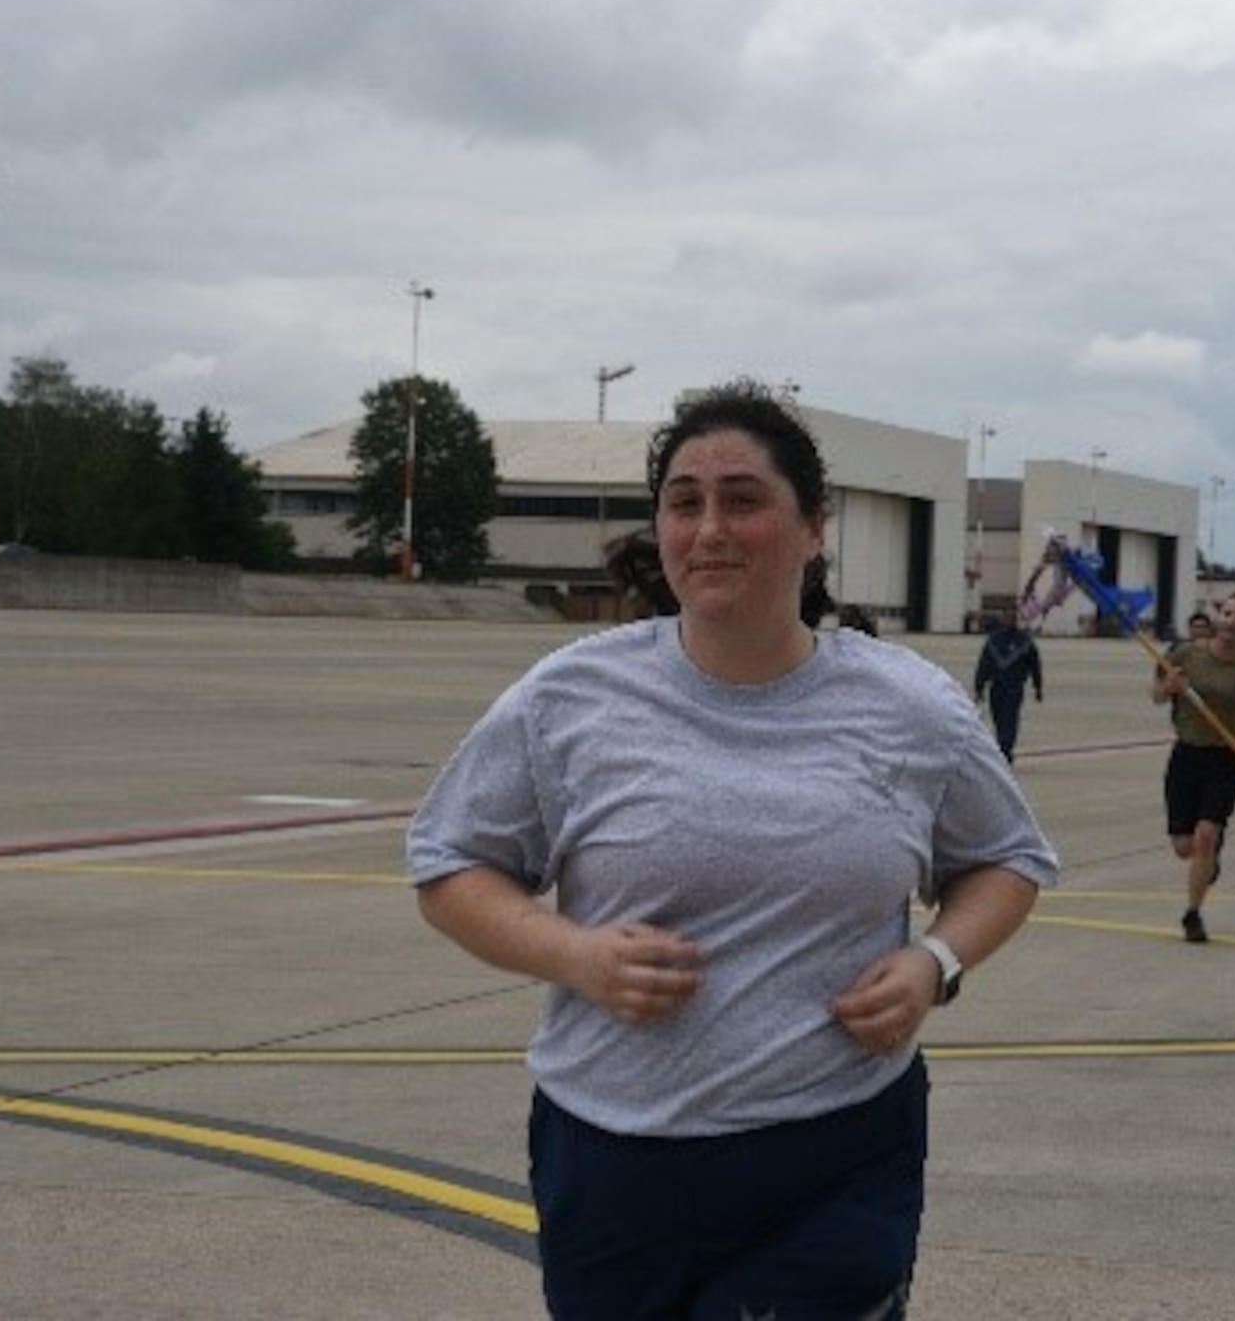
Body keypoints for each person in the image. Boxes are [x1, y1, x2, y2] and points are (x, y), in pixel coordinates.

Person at [406, 379, 1061, 1319]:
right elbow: (448, 862)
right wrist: (574, 955)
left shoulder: (908, 706)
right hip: (612, 1155)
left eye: (743, 501)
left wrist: (935, 961)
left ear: (812, 529)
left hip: (836, 1151)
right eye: (684, 502)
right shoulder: (570, 696)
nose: (709, 528)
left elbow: (1008, 858)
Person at [1150, 591, 1235, 945]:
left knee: (1206, 835)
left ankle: (1193, 914)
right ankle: (1207, 861)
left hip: (1226, 759)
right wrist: (1170, 686)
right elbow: (1156, 694)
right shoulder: (1185, 654)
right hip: (1185, 756)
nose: (1230, 621)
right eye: (1226, 613)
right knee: (1184, 847)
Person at [974, 607, 1045, 763]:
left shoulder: (1025, 641)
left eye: (1013, 618)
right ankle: (1002, 746)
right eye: (1007, 617)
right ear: (1002, 619)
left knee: (1010, 719)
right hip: (996, 687)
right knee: (998, 719)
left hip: (1014, 688)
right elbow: (984, 665)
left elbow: (1035, 666)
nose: (1010, 621)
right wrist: (979, 687)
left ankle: (1004, 750)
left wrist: (1037, 687)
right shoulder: (993, 640)